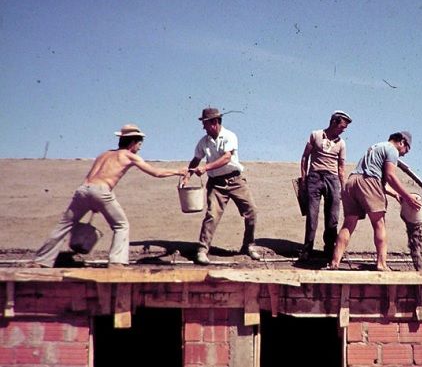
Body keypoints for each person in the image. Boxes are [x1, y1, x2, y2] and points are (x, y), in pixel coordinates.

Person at [31, 124, 187, 268]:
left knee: (64, 225)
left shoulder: (104, 154)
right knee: (121, 225)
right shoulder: (128, 155)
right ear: (132, 142)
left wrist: (94, 201)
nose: (139, 149)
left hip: (83, 190)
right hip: (101, 191)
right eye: (139, 145)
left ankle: (41, 261)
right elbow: (156, 173)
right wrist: (178, 171)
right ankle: (117, 262)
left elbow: (92, 178)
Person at [328, 131, 422, 271]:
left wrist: (396, 194)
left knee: (348, 224)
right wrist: (408, 197)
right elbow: (388, 176)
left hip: (352, 182)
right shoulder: (392, 150)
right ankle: (381, 264)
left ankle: (334, 263)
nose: (403, 154)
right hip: (368, 181)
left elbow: (377, 180)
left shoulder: (376, 147)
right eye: (406, 150)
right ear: (402, 142)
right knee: (379, 223)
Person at [184, 107, 261, 264]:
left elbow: (226, 158)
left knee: (251, 211)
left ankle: (249, 245)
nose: (203, 127)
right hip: (216, 184)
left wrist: (205, 168)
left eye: (205, 123)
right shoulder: (203, 142)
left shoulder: (229, 136)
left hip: (236, 181)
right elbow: (196, 159)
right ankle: (202, 249)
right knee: (212, 215)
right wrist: (187, 174)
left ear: (214, 123)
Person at [298, 110, 352, 262]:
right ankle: (307, 249)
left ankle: (329, 249)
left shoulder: (341, 143)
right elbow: (305, 157)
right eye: (342, 125)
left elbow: (341, 167)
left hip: (332, 179)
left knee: (332, 217)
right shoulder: (315, 135)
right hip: (314, 177)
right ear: (334, 122)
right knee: (312, 215)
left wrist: (342, 188)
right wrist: (304, 179)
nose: (344, 129)